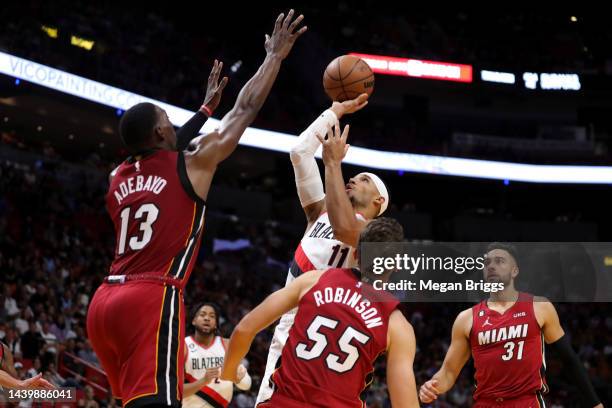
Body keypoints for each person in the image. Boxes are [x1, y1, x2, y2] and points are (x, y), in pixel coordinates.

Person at [86, 10, 306, 408]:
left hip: (103, 302)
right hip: (151, 296)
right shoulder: (193, 162)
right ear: (159, 132)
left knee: (128, 402)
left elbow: (161, 150)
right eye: (168, 120)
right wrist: (274, 56)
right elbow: (243, 111)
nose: (173, 124)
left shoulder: (116, 177)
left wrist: (204, 111)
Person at [257, 103, 390, 403]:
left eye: (365, 179)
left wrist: (333, 164)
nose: (354, 179)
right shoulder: (320, 212)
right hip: (290, 327)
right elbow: (300, 153)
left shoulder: (374, 237)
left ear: (379, 201)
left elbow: (344, 229)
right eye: (355, 176)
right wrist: (334, 111)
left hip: (326, 340)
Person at [223, 218, 419, 408]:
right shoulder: (397, 324)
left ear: (356, 254)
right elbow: (405, 404)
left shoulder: (312, 280)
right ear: (396, 264)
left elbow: (244, 329)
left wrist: (229, 372)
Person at [419, 242, 604, 408]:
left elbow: (569, 360)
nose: (491, 266)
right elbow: (449, 372)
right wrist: (432, 386)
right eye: (487, 263)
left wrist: (594, 403)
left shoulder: (539, 307)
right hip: (486, 403)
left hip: (526, 402)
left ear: (514, 271)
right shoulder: (466, 318)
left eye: (499, 261)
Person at [183, 303, 251, 408]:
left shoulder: (227, 345)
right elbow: (175, 392)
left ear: (216, 324)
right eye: (202, 314)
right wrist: (203, 381)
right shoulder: (183, 346)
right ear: (194, 321)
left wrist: (238, 379)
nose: (207, 318)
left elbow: (247, 385)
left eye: (212, 316)